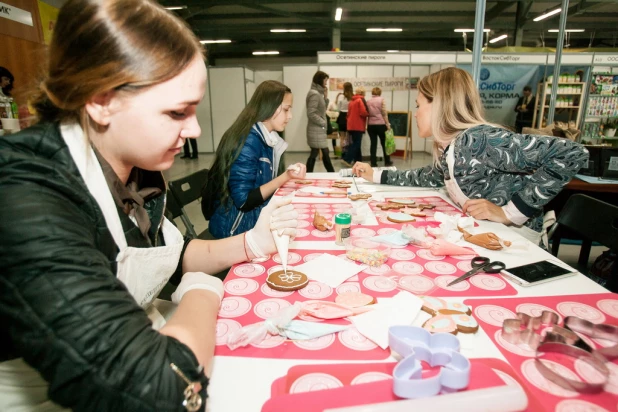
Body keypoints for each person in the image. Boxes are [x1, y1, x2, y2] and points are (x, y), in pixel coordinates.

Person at [0, 0, 298, 410]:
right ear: (102, 101)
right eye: (177, 112)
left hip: (142, 336)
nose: (193, 129)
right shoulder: (27, 194)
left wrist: (251, 243)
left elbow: (168, 257)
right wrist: (203, 293)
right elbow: (161, 388)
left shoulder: (135, 171)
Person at [353, 67, 588, 246]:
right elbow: (427, 176)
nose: (415, 114)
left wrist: (510, 213)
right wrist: (376, 174)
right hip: (491, 239)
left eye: (419, 106)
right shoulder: (452, 147)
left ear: (440, 106)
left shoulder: (479, 141)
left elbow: (572, 152)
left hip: (518, 245)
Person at [205, 80, 306, 239]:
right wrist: (285, 177)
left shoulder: (266, 137)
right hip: (235, 228)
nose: (290, 116)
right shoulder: (247, 142)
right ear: (270, 107)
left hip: (252, 219)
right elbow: (244, 201)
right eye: (286, 110)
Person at [305, 70, 334, 173]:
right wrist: (323, 122)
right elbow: (311, 113)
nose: (326, 83)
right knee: (322, 152)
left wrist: (325, 98)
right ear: (320, 80)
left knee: (317, 152)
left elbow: (321, 110)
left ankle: (308, 174)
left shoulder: (317, 94)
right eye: (325, 81)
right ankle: (332, 174)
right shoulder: (314, 94)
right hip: (316, 129)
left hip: (317, 129)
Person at [366, 87, 393, 167]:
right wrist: (387, 124)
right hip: (381, 124)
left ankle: (373, 162)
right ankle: (387, 161)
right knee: (384, 143)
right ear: (380, 92)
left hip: (371, 125)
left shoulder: (368, 101)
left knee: (373, 144)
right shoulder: (382, 100)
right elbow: (384, 113)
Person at [342, 86, 368, 167]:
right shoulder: (361, 100)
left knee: (356, 143)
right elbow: (363, 112)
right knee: (356, 144)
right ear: (363, 93)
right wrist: (368, 114)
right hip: (358, 125)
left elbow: (348, 114)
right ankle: (347, 159)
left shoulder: (351, 101)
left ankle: (358, 161)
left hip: (351, 126)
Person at [336, 82, 353, 161]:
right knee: (349, 138)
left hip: (342, 117)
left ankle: (342, 154)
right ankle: (348, 155)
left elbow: (338, 108)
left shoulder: (341, 97)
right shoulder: (353, 97)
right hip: (350, 117)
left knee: (342, 137)